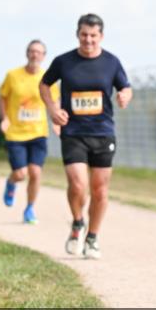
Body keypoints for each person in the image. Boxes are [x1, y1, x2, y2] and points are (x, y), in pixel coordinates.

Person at [40, 14, 132, 259]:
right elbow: (44, 84)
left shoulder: (111, 62)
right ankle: (78, 221)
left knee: (100, 190)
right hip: (73, 132)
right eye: (84, 35)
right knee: (78, 184)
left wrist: (125, 96)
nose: (88, 40)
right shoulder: (63, 61)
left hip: (102, 132)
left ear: (101, 36)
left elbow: (125, 86)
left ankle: (92, 237)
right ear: (77, 34)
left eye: (93, 35)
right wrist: (52, 109)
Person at [0, 40, 59, 224]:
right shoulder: (13, 75)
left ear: (43, 56)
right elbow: (2, 97)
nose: (35, 55)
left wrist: (57, 121)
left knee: (35, 172)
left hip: (38, 132)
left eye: (39, 52)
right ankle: (11, 183)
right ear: (27, 54)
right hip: (16, 133)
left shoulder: (48, 78)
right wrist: (5, 118)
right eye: (32, 51)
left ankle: (30, 208)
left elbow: (54, 102)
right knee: (20, 174)